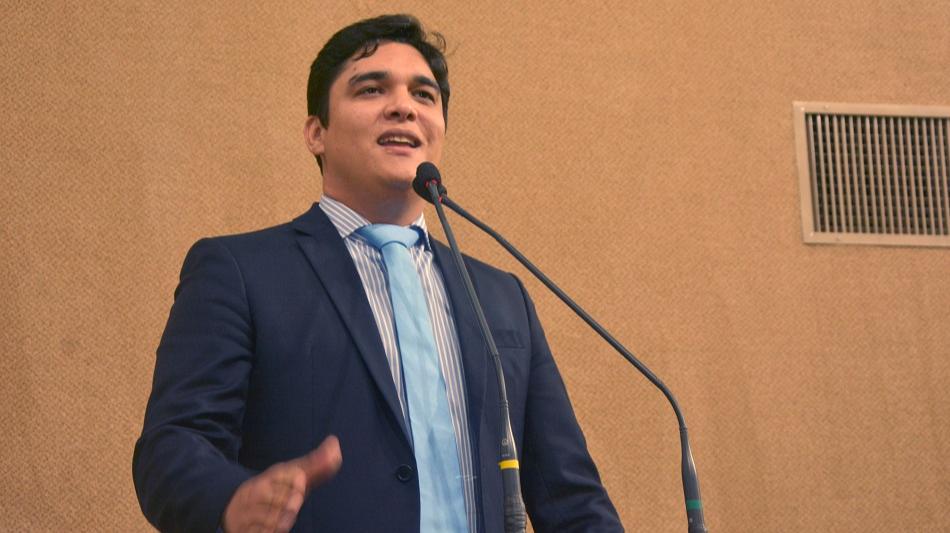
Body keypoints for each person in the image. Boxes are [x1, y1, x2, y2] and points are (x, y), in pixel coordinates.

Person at [133, 14, 623, 533]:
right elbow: (174, 447)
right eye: (371, 89)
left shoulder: (502, 297)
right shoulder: (239, 272)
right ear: (316, 133)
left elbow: (571, 498)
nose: (403, 107)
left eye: (424, 95)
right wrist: (230, 500)